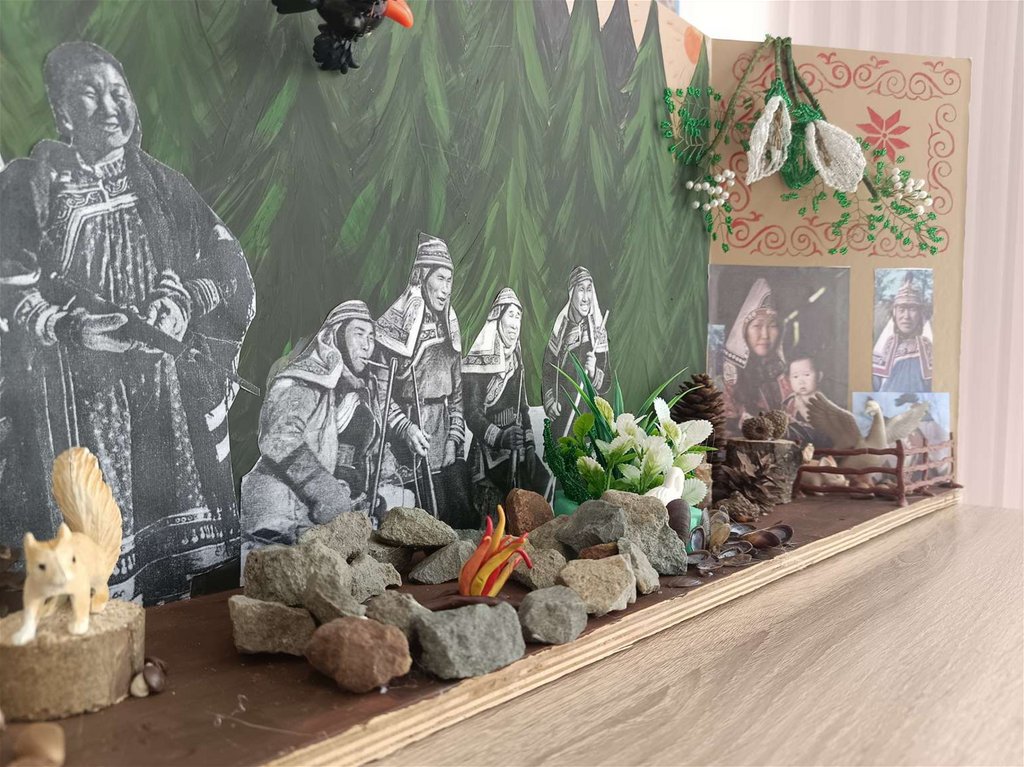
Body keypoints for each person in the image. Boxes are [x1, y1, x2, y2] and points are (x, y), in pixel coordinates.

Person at [0, 43, 254, 604]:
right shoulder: (34, 185)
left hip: (165, 397)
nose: (109, 106)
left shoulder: (162, 185)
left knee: (179, 558)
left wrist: (185, 302)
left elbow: (227, 264)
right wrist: (71, 329)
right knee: (99, 554)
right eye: (89, 95)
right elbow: (9, 289)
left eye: (119, 93)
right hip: (77, 401)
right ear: (62, 112)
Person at [240, 300, 421, 558]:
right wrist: (324, 489)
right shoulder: (303, 379)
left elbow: (363, 449)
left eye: (371, 337)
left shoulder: (363, 388)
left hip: (336, 518)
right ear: (336, 335)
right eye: (359, 334)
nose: (367, 345)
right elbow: (279, 438)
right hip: (286, 515)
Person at [375, 233, 473, 528]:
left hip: (443, 438)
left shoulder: (449, 326)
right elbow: (380, 392)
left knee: (459, 515)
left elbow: (457, 395)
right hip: (407, 444)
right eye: (440, 278)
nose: (445, 289)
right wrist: (405, 428)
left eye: (449, 280)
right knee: (422, 521)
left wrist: (454, 438)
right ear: (421, 277)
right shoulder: (395, 327)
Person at [463, 288, 551, 513]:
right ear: (497, 317)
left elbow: (522, 408)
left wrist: (529, 446)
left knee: (541, 483)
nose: (514, 324)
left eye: (518, 317)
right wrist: (501, 437)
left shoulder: (516, 358)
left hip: (516, 446)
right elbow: (472, 413)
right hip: (487, 451)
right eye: (510, 315)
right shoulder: (479, 359)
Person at [542, 266, 610, 439]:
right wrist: (550, 403)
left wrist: (594, 372)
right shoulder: (560, 329)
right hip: (561, 418)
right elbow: (548, 372)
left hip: (588, 419)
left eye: (589, 290)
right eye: (581, 290)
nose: (586, 297)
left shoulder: (597, 331)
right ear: (571, 293)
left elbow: (606, 383)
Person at [722, 277, 790, 435]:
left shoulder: (787, 376)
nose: (765, 335)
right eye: (757, 325)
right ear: (744, 331)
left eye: (772, 325)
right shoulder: (729, 378)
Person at [872, 275, 933, 392]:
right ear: (894, 314)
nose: (906, 316)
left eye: (912, 309)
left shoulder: (928, 348)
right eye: (901, 310)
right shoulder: (884, 348)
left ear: (920, 314)